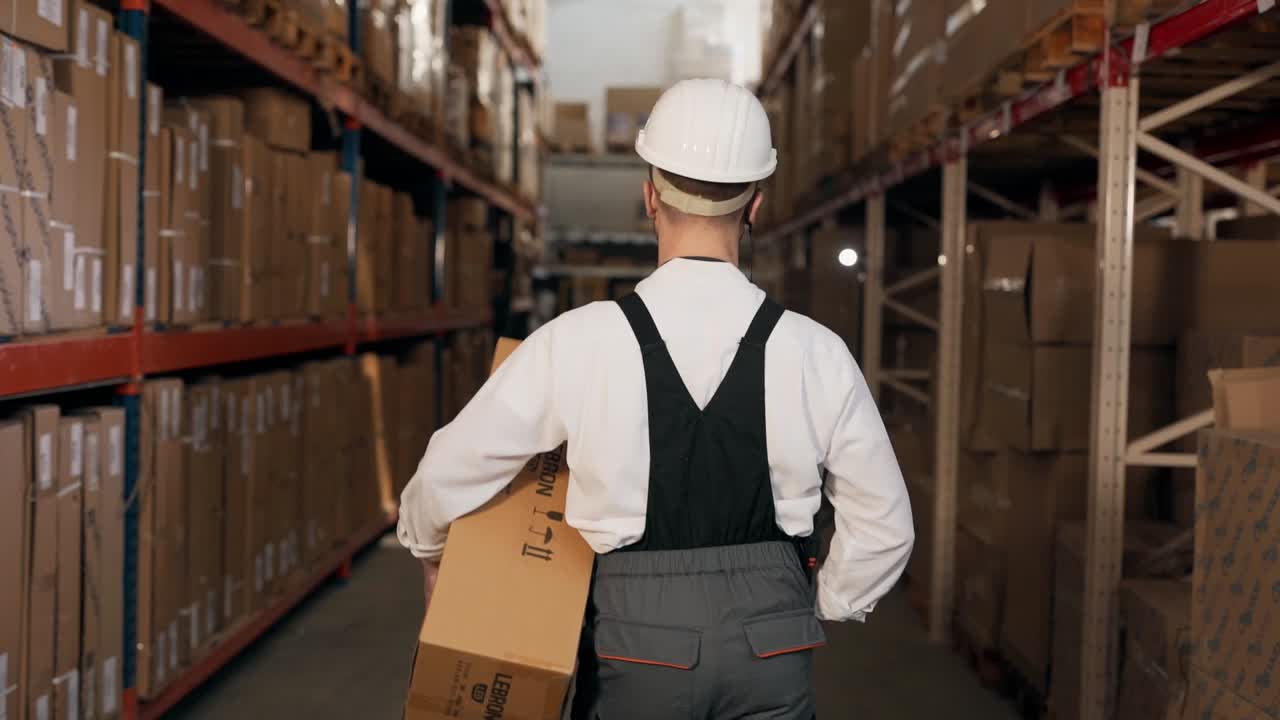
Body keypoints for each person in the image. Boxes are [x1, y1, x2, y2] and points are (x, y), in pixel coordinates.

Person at [397, 78, 914, 719]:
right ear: (756, 204)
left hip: (636, 654)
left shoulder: (578, 343)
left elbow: (449, 470)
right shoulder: (817, 352)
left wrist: (427, 547)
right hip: (774, 650)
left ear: (648, 197)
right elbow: (885, 526)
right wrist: (816, 608)